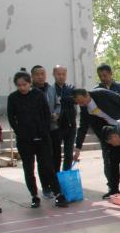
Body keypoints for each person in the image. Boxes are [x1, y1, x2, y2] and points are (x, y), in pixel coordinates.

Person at [7, 71, 67, 209]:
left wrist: (44, 130)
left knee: (48, 166)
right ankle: (34, 196)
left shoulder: (38, 95)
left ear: (30, 83)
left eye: (24, 84)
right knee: (28, 168)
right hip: (24, 140)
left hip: (42, 138)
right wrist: (20, 132)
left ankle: (58, 194)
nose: (22, 87)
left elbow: (46, 114)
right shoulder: (13, 98)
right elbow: (11, 118)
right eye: (19, 85)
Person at [73, 87, 120, 198]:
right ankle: (114, 189)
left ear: (87, 95)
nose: (81, 105)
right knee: (111, 161)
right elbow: (83, 127)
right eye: (79, 103)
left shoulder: (101, 94)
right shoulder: (84, 108)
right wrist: (78, 147)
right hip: (108, 133)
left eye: (82, 101)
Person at [31, 65, 58, 199]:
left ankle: (55, 186)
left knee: (53, 159)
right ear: (32, 76)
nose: (40, 77)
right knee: (42, 162)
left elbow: (58, 104)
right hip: (38, 131)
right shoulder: (30, 91)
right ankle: (45, 187)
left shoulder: (51, 89)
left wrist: (56, 114)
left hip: (52, 128)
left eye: (42, 74)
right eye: (37, 74)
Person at [52, 65, 77, 171]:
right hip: (56, 126)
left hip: (70, 125)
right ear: (54, 75)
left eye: (63, 74)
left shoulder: (71, 89)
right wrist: (66, 99)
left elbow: (76, 101)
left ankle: (66, 175)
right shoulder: (51, 90)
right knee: (55, 154)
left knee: (69, 154)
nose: (61, 76)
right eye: (59, 74)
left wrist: (65, 99)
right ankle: (56, 176)